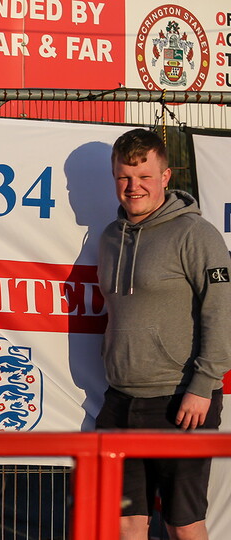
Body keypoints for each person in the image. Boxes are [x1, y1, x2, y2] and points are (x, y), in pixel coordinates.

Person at [96, 128, 231, 540]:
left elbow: (222, 311)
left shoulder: (195, 234)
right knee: (123, 523)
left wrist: (203, 387)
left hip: (180, 402)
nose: (133, 187)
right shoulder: (109, 238)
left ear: (166, 176)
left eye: (144, 176)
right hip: (120, 402)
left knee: (183, 523)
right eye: (124, 177)